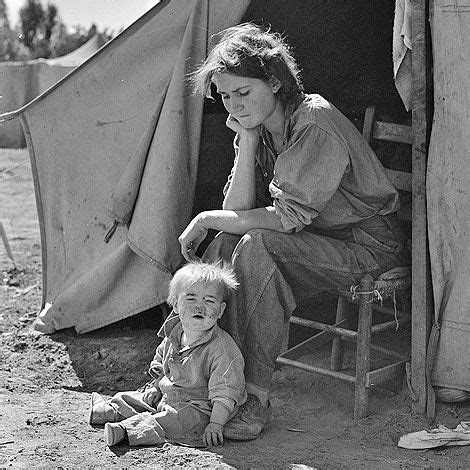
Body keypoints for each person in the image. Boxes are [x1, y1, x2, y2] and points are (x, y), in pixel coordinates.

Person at [178, 23, 410, 435]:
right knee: (232, 240)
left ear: (273, 80)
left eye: (243, 93)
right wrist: (247, 142)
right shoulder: (258, 126)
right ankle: (196, 372)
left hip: (368, 247)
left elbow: (284, 219)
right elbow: (238, 210)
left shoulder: (313, 122)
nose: (233, 106)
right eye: (226, 96)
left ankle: (251, 397)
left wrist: (204, 217)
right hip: (321, 241)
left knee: (256, 244)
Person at [88, 260, 247, 447]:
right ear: (176, 305)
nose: (199, 306)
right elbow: (162, 368)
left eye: (209, 300)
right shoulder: (173, 335)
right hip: (168, 397)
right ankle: (110, 409)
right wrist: (156, 387)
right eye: (191, 298)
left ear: (220, 311)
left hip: (199, 407)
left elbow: (225, 393)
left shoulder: (222, 349)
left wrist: (215, 424)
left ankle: (127, 431)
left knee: (176, 420)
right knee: (134, 398)